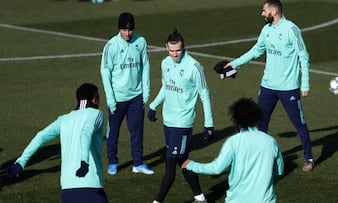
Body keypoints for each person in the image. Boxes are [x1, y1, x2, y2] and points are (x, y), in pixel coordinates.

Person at [224, 0, 314, 171]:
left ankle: (308, 158)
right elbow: (256, 50)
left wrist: (305, 84)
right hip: (267, 87)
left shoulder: (291, 30)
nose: (262, 14)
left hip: (288, 88)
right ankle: (262, 159)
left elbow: (304, 56)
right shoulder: (267, 30)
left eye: (264, 10)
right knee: (259, 124)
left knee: (299, 124)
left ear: (274, 11)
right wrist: (235, 64)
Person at [7, 83, 108, 203]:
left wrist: (21, 162)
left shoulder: (63, 119)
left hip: (67, 190)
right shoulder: (97, 114)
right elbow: (85, 133)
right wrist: (84, 162)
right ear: (95, 99)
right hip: (92, 187)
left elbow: (40, 137)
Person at [147, 29, 215, 203]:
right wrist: (154, 105)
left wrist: (209, 124)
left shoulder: (194, 67)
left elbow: (204, 95)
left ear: (183, 47)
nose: (175, 54)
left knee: (170, 168)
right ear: (166, 48)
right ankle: (200, 197)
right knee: (182, 161)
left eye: (178, 50)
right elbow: (166, 86)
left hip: (183, 124)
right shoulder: (165, 63)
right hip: (168, 122)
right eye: (171, 50)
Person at [182, 98, 284, 203]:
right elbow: (279, 171)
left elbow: (216, 168)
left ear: (237, 121)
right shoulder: (271, 141)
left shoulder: (233, 142)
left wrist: (191, 165)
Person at [100, 12, 153, 175]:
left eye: (130, 30)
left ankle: (138, 163)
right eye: (124, 30)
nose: (127, 33)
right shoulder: (111, 46)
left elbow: (145, 66)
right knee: (113, 132)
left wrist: (146, 91)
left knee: (137, 131)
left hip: (136, 97)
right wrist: (110, 99)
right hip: (117, 98)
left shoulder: (141, 42)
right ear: (119, 29)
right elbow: (105, 72)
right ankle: (113, 162)